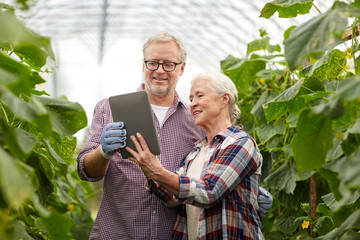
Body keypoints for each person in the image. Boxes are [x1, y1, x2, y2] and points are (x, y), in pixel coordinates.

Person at [77, 31, 272, 240]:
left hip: (171, 233)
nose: (159, 70)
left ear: (181, 68)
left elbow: (212, 177)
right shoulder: (109, 109)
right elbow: (85, 171)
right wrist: (103, 152)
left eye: (168, 64)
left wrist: (245, 192)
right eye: (153, 63)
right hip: (117, 232)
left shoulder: (197, 120)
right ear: (144, 65)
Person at [126, 72, 264, 240]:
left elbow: (209, 192)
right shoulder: (196, 151)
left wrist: (157, 171)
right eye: (191, 99)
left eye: (200, 95)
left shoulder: (241, 143)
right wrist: (147, 169)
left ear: (224, 99)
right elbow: (174, 198)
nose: (193, 104)